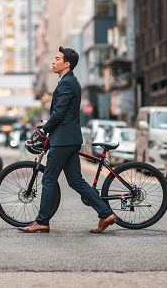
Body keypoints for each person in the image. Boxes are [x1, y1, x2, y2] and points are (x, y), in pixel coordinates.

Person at [18, 47, 117, 234]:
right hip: (69, 138)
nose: (53, 62)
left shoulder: (66, 83)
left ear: (67, 64)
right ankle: (105, 213)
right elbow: (64, 113)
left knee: (48, 179)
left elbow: (60, 112)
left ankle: (42, 221)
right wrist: (50, 123)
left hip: (63, 140)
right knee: (75, 181)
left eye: (57, 58)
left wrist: (45, 129)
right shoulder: (70, 82)